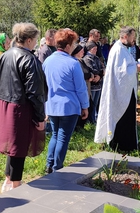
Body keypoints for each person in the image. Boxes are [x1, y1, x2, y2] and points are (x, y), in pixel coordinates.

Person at [0, 23, 46, 192]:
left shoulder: (5, 55)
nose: (36, 44)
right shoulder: (29, 59)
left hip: (5, 104)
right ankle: (16, 184)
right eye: (35, 40)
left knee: (12, 144)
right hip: (20, 107)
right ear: (29, 40)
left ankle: (8, 179)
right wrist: (40, 117)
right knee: (19, 145)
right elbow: (34, 91)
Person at [43, 29, 89, 174]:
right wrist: (85, 106)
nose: (75, 46)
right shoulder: (73, 63)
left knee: (55, 135)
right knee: (62, 137)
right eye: (74, 43)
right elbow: (81, 88)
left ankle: (49, 165)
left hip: (52, 105)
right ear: (68, 46)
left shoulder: (47, 61)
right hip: (69, 106)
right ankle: (57, 168)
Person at [94, 26, 140, 152]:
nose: (134, 40)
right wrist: (136, 69)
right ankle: (122, 145)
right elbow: (121, 73)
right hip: (120, 92)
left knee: (128, 117)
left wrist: (135, 66)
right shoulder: (118, 50)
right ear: (125, 36)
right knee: (122, 118)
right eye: (133, 37)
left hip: (126, 91)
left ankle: (128, 144)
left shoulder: (123, 49)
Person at [82, 41, 103, 124]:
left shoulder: (97, 58)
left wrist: (100, 75)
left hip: (98, 84)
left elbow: (102, 68)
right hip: (92, 85)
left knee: (96, 103)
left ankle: (94, 120)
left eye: (96, 49)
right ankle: (91, 121)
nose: (95, 50)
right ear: (90, 49)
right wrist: (97, 75)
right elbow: (91, 69)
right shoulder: (87, 58)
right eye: (94, 49)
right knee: (91, 103)